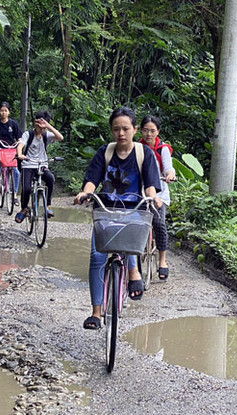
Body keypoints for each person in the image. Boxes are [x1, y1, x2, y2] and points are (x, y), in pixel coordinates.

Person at [74, 106, 163, 330]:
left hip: (135, 210)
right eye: (116, 129)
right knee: (97, 257)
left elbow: (151, 184)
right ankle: (96, 312)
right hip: (105, 210)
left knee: (131, 235)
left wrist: (153, 199)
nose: (121, 133)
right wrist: (85, 192)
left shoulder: (145, 154)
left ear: (134, 129)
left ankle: (133, 271)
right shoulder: (105, 152)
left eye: (125, 128)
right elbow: (92, 179)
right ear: (111, 131)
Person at [139, 115, 176, 280]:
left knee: (159, 224)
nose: (149, 134)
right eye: (145, 130)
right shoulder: (136, 147)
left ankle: (162, 261)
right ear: (140, 131)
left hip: (159, 193)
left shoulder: (163, 149)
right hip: (138, 192)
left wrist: (170, 175)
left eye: (152, 131)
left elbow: (169, 168)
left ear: (158, 132)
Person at [14, 110, 64, 223]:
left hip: (42, 164)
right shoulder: (28, 134)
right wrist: (20, 154)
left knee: (50, 179)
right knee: (26, 188)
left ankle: (47, 207)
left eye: (44, 126)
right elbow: (20, 144)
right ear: (35, 123)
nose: (42, 128)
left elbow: (60, 137)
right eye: (40, 125)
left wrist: (48, 125)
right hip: (28, 165)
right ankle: (24, 209)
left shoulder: (47, 135)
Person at [0, 101, 22, 191]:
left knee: (16, 172)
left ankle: (15, 195)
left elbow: (19, 137)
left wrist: (20, 142)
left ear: (9, 112)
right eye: (2, 110)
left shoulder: (13, 124)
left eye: (6, 110)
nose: (4, 112)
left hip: (10, 149)